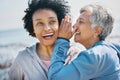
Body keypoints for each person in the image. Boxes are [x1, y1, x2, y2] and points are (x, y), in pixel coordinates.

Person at [48, 4, 120, 80]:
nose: (74, 26)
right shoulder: (108, 50)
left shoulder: (94, 56)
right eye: (76, 22)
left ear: (97, 30)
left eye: (81, 22)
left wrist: (62, 40)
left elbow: (55, 78)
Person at [5, 0, 70, 80]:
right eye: (40, 23)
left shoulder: (73, 54)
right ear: (33, 29)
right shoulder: (23, 59)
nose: (47, 28)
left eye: (52, 21)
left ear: (60, 24)